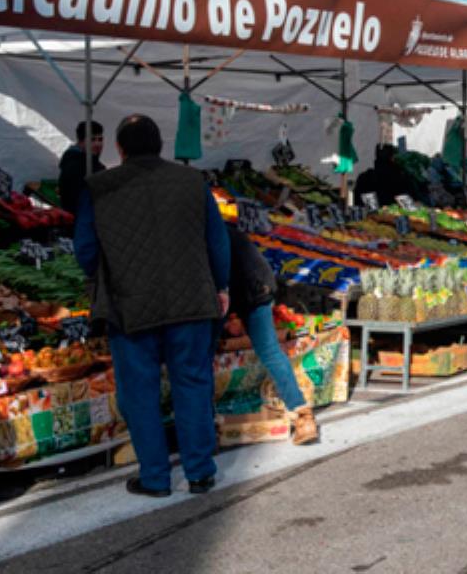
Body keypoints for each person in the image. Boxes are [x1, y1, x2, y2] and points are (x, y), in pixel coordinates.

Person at [74, 115, 231, 498]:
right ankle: (200, 473)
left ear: (120, 149)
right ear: (161, 144)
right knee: (192, 383)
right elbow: (217, 240)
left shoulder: (99, 187)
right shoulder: (193, 181)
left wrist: (106, 274)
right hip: (191, 298)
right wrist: (221, 285)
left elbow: (85, 250)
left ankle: (156, 478)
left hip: (129, 303)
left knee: (139, 391)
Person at [223, 223, 318, 445]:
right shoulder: (223, 225)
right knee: (271, 351)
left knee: (201, 357)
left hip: (242, 289)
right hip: (259, 285)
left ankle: (207, 428)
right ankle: (303, 417)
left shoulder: (200, 228)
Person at [59, 120, 105, 215]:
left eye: (100, 139)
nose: (98, 144)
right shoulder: (74, 165)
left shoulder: (94, 163)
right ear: (81, 142)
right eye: (92, 139)